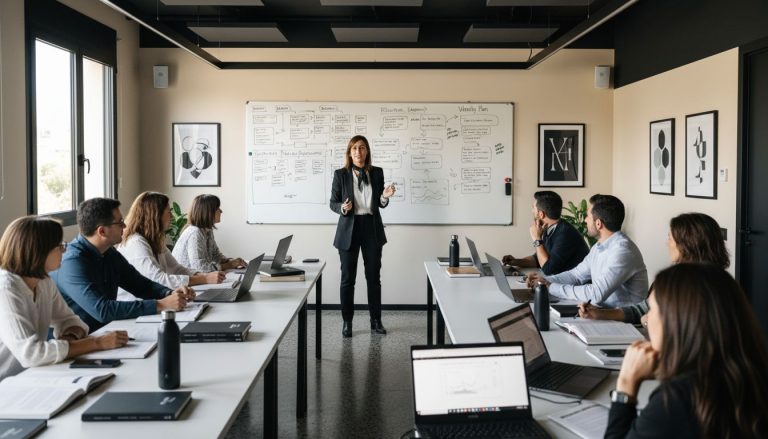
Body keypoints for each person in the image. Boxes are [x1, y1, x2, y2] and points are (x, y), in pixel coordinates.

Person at [605, 263, 768, 438]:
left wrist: (626, 386)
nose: (647, 318)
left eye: (652, 310)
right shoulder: (749, 374)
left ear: (677, 321)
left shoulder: (677, 401)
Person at [0, 216, 129, 380]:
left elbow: (72, 322)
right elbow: (31, 354)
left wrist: (70, 341)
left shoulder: (44, 281)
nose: (64, 250)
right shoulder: (6, 289)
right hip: (7, 383)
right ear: (39, 251)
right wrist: (97, 343)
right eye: (60, 246)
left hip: (33, 375)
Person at [51, 198, 195, 332]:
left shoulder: (109, 252)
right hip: (77, 342)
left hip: (106, 333)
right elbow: (103, 310)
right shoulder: (72, 262)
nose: (125, 225)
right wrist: (162, 304)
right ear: (102, 231)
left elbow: (140, 284)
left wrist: (169, 293)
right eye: (120, 222)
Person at [579, 212, 729, 324]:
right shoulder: (718, 279)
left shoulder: (694, 285)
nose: (667, 242)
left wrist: (647, 321)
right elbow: (642, 309)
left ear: (687, 243)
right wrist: (600, 313)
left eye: (670, 237)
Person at [526, 194, 647, 307]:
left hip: (624, 323)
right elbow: (576, 275)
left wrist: (551, 287)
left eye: (588, 216)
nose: (585, 220)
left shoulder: (623, 252)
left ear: (598, 223)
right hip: (601, 313)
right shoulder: (599, 246)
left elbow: (596, 294)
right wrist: (543, 280)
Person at [330, 135, 396, 338]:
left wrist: (385, 196)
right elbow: (332, 202)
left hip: (371, 227)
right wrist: (342, 207)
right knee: (347, 279)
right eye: (354, 149)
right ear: (350, 153)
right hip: (349, 228)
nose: (358, 152)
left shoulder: (377, 173)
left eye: (362, 148)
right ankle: (347, 322)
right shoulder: (340, 174)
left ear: (367, 151)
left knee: (373, 278)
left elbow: (380, 203)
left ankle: (376, 321)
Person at [118, 191, 225, 290]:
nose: (172, 217)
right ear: (155, 216)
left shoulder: (154, 240)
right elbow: (158, 279)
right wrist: (204, 279)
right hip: (139, 305)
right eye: (168, 212)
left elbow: (176, 269)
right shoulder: (136, 242)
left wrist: (205, 276)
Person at [502, 191, 589, 275]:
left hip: (575, 286)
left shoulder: (565, 233)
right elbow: (538, 259)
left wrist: (537, 239)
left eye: (533, 207)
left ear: (541, 214)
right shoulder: (551, 228)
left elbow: (548, 269)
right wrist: (516, 261)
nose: (532, 211)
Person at [172, 194, 247, 272]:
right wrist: (229, 265)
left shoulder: (208, 230)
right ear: (208, 212)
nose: (221, 211)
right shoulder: (195, 232)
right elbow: (199, 267)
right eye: (218, 208)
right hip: (185, 281)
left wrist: (230, 261)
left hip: (196, 277)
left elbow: (215, 255)